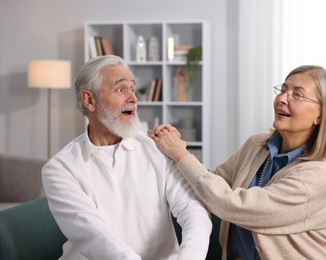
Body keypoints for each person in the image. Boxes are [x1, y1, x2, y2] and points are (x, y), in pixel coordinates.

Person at [149, 65, 326, 260]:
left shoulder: (321, 175)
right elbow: (212, 180)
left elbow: (235, 205)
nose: (283, 99)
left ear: (321, 115)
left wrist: (181, 155)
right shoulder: (256, 145)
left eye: (297, 95)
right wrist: (169, 150)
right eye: (284, 90)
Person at [42, 55, 212, 260]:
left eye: (132, 88)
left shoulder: (157, 147)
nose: (133, 98)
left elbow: (193, 210)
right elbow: (94, 235)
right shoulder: (60, 168)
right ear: (89, 100)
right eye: (121, 89)